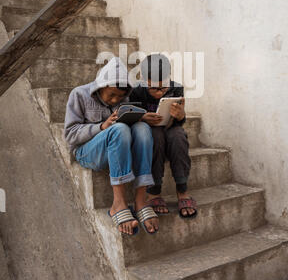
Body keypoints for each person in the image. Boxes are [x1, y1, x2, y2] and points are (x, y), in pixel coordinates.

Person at [64, 57, 159, 236]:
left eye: (120, 96)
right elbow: (70, 134)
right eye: (112, 95)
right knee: (119, 129)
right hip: (87, 153)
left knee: (143, 128)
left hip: (115, 150)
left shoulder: (124, 98)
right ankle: (118, 203)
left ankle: (140, 199)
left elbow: (128, 128)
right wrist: (101, 126)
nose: (115, 100)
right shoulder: (79, 94)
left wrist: (140, 117)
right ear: (101, 87)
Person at [129, 54, 197, 218]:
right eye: (154, 88)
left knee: (179, 135)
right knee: (156, 136)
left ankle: (182, 189)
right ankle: (154, 192)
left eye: (163, 87)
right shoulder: (136, 92)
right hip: (150, 134)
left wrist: (180, 115)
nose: (159, 92)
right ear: (144, 80)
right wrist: (142, 117)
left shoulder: (176, 88)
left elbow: (179, 122)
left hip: (170, 129)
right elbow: (129, 118)